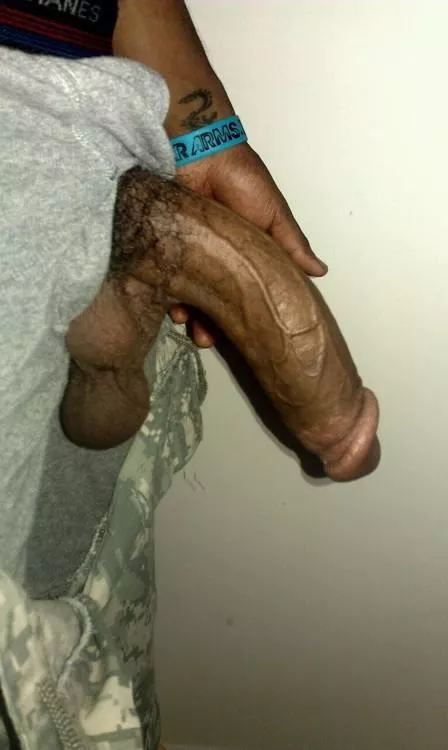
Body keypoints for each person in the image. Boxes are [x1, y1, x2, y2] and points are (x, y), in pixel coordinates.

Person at [0, 4, 379, 749]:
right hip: (81, 136)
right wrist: (206, 142)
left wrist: (208, 142)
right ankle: (134, 230)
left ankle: (130, 231)